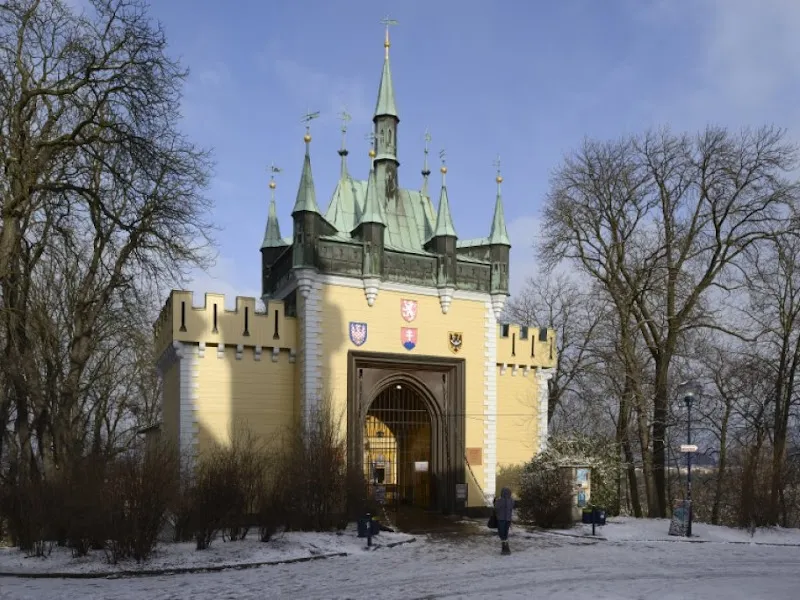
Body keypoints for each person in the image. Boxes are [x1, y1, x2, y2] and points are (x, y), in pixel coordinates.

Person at [494, 486, 514, 555]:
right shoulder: (511, 500)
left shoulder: (500, 500)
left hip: (502, 519)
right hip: (506, 519)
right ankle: (505, 546)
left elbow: (496, 508)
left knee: (502, 533)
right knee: (505, 533)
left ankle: (505, 546)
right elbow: (511, 508)